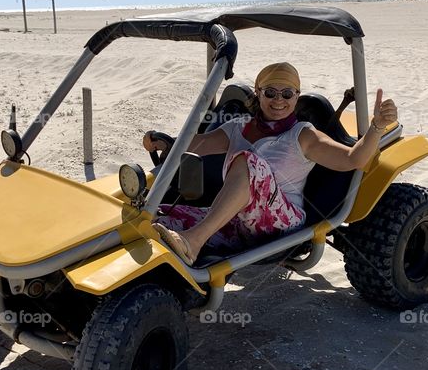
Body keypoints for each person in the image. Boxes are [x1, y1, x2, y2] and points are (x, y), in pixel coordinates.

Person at [144, 62, 398, 264]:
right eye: (271, 92)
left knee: (249, 161)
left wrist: (376, 128)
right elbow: (196, 143)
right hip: (236, 221)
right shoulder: (237, 128)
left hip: (282, 223)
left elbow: (354, 159)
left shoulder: (303, 135)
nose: (279, 100)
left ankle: (195, 241)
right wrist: (166, 142)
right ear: (258, 92)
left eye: (287, 93)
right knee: (159, 218)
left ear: (296, 97)